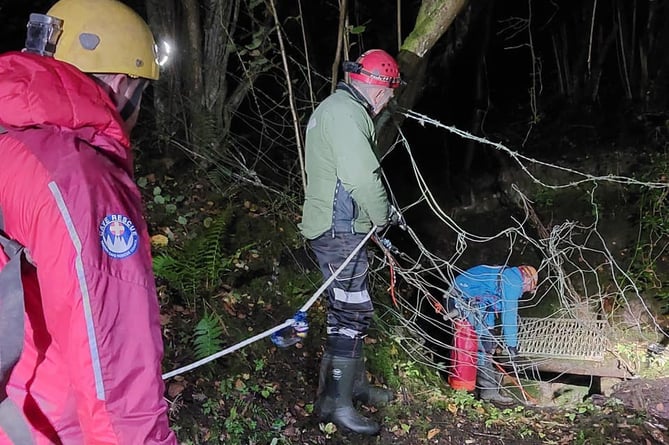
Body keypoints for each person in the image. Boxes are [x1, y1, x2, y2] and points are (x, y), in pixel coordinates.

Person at [0, 0, 176, 443]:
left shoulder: (11, 132)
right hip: (39, 422)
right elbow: (116, 378)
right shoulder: (79, 179)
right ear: (122, 83)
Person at [298, 49, 404, 435]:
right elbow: (361, 177)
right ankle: (334, 404)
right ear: (378, 88)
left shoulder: (341, 108)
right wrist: (382, 217)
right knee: (349, 312)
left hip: (343, 228)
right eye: (390, 92)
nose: (390, 100)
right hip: (338, 230)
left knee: (351, 310)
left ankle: (351, 386)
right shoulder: (345, 113)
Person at [447, 264, 538, 404]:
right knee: (480, 349)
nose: (525, 292)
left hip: (471, 303)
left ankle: (487, 390)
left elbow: (487, 304)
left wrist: (490, 331)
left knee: (485, 345)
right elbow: (509, 313)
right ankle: (487, 391)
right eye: (528, 289)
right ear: (528, 280)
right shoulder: (513, 280)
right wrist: (512, 346)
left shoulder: (504, 277)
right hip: (460, 300)